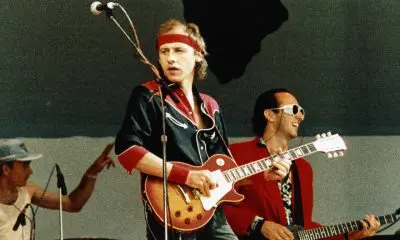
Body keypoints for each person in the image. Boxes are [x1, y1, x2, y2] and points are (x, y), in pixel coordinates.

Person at [115, 19, 238, 240]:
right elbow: (127, 150)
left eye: (179, 50)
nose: (170, 58)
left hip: (213, 213)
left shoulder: (210, 106)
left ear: (198, 54)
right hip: (173, 210)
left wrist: (265, 174)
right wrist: (188, 176)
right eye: (164, 51)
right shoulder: (148, 95)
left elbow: (225, 168)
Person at [223, 88, 380, 240]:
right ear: (270, 114)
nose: (300, 116)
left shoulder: (303, 168)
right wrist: (258, 225)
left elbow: (304, 229)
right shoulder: (237, 154)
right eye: (294, 109)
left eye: (302, 111)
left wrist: (346, 236)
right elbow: (215, 209)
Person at [0, 139, 114, 240]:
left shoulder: (27, 190)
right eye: (25, 165)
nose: (30, 171)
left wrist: (92, 172)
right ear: (6, 169)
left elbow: (73, 204)